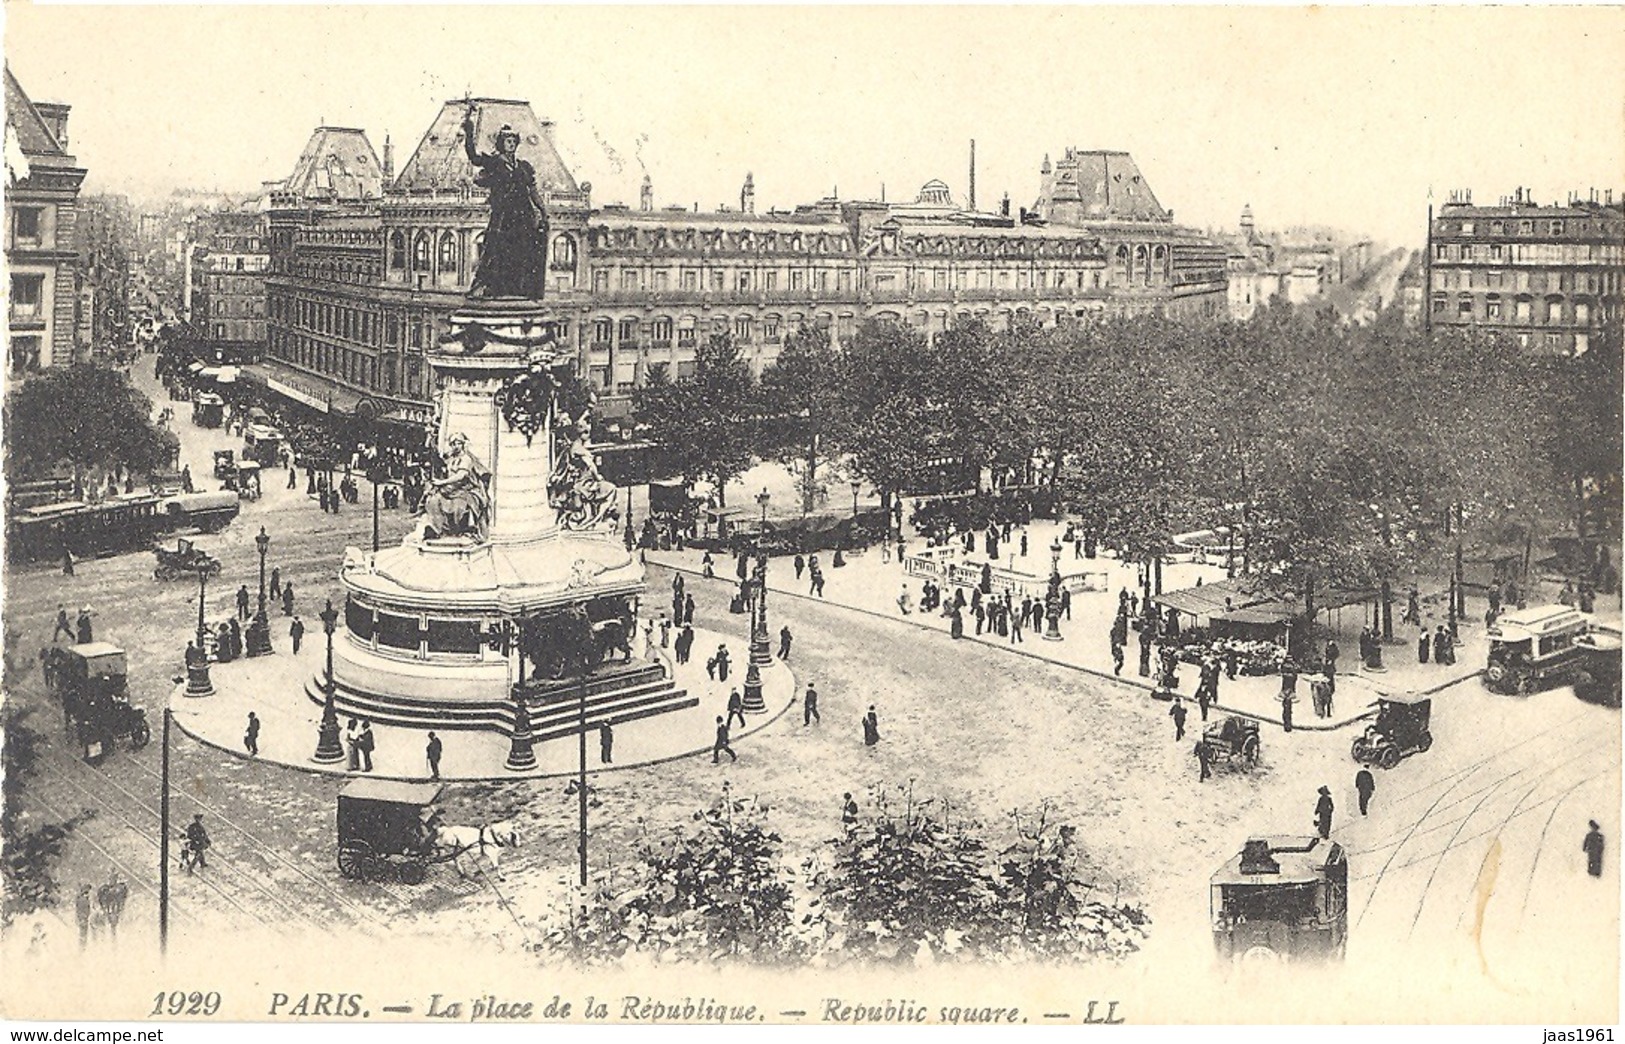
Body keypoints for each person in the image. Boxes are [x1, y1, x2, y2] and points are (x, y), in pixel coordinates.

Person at [461, 103, 548, 298]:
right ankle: (487, 285)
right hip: (503, 214)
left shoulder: (524, 166)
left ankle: (516, 288)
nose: (511, 143)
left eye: (513, 140)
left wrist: (542, 211)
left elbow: (532, 190)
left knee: (522, 250)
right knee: (496, 248)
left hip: (523, 214)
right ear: (501, 143)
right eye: (507, 140)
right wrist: (469, 131)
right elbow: (474, 157)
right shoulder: (495, 162)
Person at [422, 433, 491, 541]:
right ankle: (435, 529)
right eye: (453, 444)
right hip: (450, 489)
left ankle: (463, 530)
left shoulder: (466, 459)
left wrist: (442, 482)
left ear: (463, 445)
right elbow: (438, 457)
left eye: (458, 443)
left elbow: (460, 476)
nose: (455, 446)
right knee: (433, 500)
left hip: (466, 490)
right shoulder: (451, 458)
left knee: (459, 505)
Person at [96, 873, 128, 939]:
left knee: (113, 927)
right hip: (111, 910)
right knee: (110, 927)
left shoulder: (117, 889)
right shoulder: (107, 889)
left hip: (113, 909)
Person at [75, 885, 93, 949]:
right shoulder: (83, 900)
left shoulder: (80, 899)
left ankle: (82, 946)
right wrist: (83, 917)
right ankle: (82, 947)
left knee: (83, 933)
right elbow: (83, 910)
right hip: (83, 918)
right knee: (83, 934)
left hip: (83, 918)